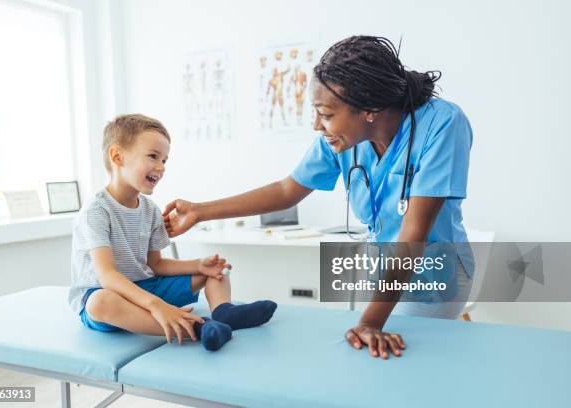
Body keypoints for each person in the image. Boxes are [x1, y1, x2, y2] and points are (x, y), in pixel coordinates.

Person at [163, 36, 475, 359]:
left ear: (368, 109)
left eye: (325, 114)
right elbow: (287, 190)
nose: (316, 125)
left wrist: (368, 322)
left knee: (409, 371)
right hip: (385, 274)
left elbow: (413, 236)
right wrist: (200, 211)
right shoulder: (342, 138)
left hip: (433, 278)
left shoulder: (443, 125)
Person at [68, 114, 277, 351]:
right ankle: (197, 328)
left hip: (145, 286)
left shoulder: (149, 210)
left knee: (215, 271)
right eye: (153, 156)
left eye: (165, 160)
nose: (161, 167)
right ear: (117, 156)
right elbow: (107, 275)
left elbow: (156, 265)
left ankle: (223, 312)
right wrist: (157, 305)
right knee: (100, 303)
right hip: (109, 294)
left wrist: (200, 265)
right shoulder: (96, 210)